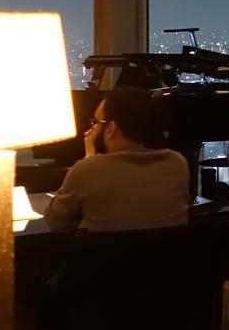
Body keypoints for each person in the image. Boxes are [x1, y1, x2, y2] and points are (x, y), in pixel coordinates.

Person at [43, 87, 190, 233]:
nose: (92, 129)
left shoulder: (87, 171)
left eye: (96, 122)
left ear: (111, 128)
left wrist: (88, 159)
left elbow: (56, 222)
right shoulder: (177, 163)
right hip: (166, 256)